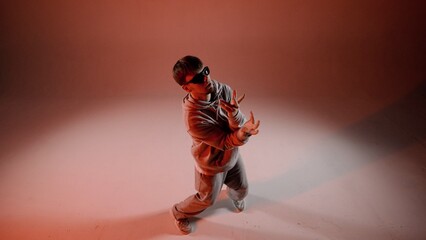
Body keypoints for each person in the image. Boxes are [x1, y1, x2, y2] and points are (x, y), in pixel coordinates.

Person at [171, 55, 260, 234]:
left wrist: (235, 116)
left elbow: (237, 123)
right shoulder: (193, 118)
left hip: (232, 155)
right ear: (186, 88)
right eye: (197, 78)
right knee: (206, 200)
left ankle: (233, 194)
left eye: (205, 71)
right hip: (210, 163)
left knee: (242, 189)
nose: (205, 78)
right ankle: (178, 212)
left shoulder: (223, 90)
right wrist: (243, 132)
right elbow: (224, 141)